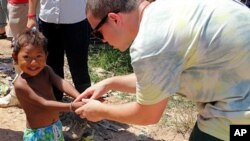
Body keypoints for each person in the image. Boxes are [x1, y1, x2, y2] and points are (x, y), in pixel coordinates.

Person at [74, 0, 250, 141]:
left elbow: (147, 115)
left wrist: (100, 111)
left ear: (114, 19)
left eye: (98, 33)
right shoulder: (166, 10)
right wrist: (110, 83)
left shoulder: (150, 42)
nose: (102, 41)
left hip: (238, 118)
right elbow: (157, 79)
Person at [12, 28, 84, 141]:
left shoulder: (46, 70)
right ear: (15, 57)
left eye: (38, 56)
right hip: (38, 135)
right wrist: (71, 107)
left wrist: (79, 97)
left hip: (56, 126)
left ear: (46, 55)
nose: (33, 62)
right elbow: (43, 103)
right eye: (26, 57)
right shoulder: (21, 84)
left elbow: (60, 82)